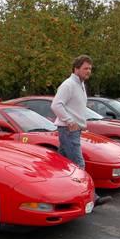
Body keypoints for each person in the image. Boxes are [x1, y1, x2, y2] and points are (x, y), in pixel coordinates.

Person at [51, 55, 111, 206]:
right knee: (79, 164)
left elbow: (75, 107)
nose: (88, 71)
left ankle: (54, 194)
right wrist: (70, 121)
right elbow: (56, 105)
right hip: (68, 130)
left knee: (60, 165)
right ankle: (92, 198)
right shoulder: (68, 84)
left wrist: (80, 121)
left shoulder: (81, 85)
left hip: (74, 130)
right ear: (76, 69)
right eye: (85, 68)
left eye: (90, 68)